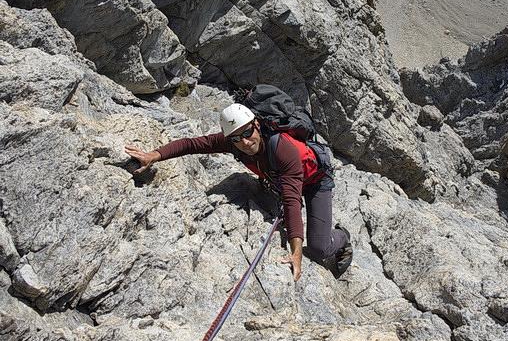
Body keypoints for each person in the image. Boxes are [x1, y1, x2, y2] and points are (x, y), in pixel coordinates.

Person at [125, 102, 352, 281]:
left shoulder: (283, 149)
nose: (244, 142)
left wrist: (296, 253)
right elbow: (192, 144)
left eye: (247, 132)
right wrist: (153, 155)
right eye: (235, 138)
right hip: (282, 180)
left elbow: (292, 201)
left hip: (315, 181)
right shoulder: (234, 141)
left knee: (319, 248)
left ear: (257, 125)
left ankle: (343, 237)